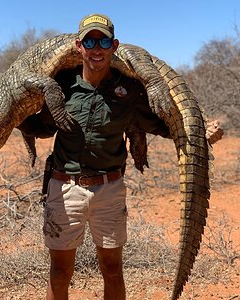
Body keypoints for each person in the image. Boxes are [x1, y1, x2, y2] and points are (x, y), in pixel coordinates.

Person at [21, 13, 223, 300]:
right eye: (90, 41)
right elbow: (39, 126)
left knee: (113, 268)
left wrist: (202, 135)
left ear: (114, 46)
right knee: (60, 272)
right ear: (79, 46)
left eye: (103, 40)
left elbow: (162, 124)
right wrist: (12, 116)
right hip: (65, 188)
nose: (97, 48)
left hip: (109, 190)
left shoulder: (128, 90)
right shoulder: (62, 85)